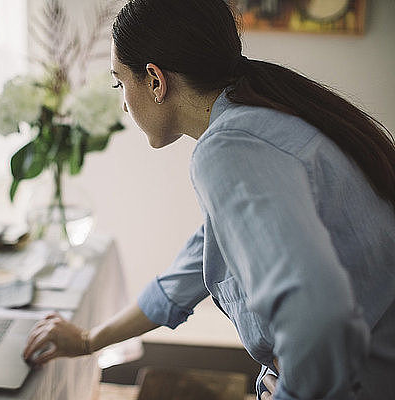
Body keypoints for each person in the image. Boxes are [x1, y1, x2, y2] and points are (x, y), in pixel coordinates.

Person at [22, 0, 395, 399]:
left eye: (119, 83)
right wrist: (87, 340)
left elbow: (319, 317)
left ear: (154, 80)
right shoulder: (259, 117)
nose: (122, 103)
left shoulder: (228, 148)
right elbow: (189, 272)